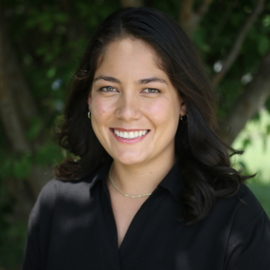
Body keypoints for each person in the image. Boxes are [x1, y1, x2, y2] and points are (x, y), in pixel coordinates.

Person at [22, 7, 270, 270]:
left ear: (183, 101)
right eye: (109, 88)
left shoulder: (236, 219)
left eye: (150, 89)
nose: (127, 112)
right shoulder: (55, 205)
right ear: (89, 99)